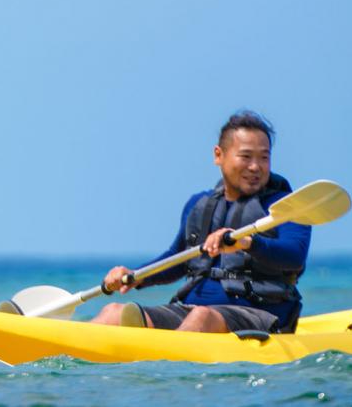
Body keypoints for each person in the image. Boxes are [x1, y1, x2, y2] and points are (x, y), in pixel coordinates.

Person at [91, 110, 310, 333]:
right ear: (219, 155)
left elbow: (294, 256)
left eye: (264, 157)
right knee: (113, 312)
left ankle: (163, 362)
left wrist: (248, 243)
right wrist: (136, 276)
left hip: (260, 314)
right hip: (192, 309)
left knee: (202, 317)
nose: (255, 166)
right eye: (246, 157)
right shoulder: (200, 205)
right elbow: (177, 260)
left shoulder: (286, 207)